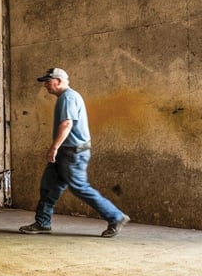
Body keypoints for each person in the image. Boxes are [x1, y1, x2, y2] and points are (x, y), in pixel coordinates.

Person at [20, 68, 130, 237]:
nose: (46, 86)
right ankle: (42, 222)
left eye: (48, 82)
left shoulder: (68, 97)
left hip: (72, 153)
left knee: (80, 188)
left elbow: (67, 124)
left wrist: (54, 147)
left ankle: (115, 216)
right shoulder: (65, 97)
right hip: (66, 152)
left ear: (58, 81)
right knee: (48, 187)